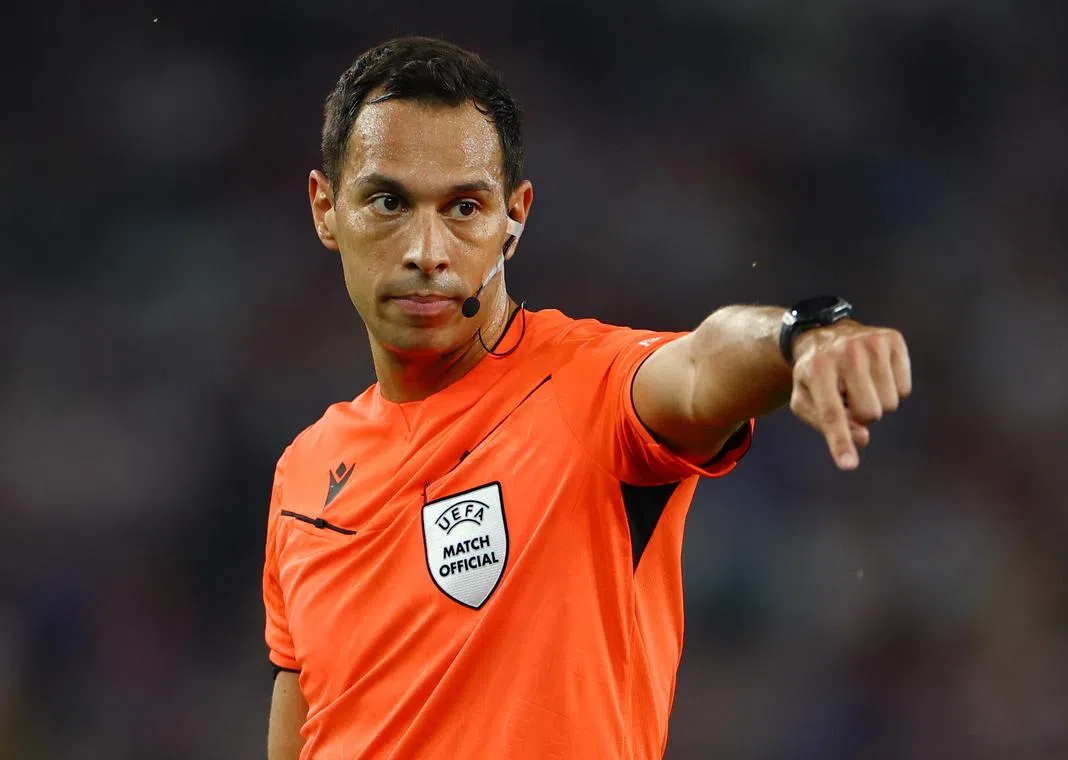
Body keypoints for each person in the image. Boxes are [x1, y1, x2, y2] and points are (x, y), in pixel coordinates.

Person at [263, 36, 911, 760]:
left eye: (464, 207)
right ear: (326, 208)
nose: (426, 249)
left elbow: (699, 367)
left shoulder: (587, 389)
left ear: (515, 218)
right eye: (388, 201)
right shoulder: (304, 471)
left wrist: (803, 335)